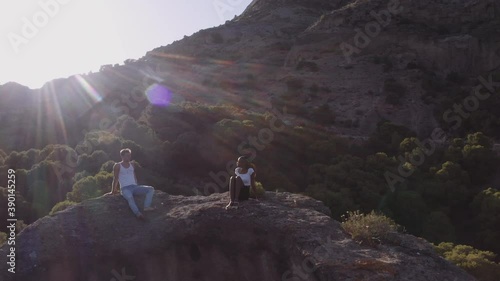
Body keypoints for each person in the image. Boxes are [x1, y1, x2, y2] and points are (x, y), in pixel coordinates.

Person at [107, 148, 156, 220]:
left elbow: (134, 175)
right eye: (127, 156)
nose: (129, 157)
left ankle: (147, 207)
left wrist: (136, 185)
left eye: (129, 155)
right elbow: (115, 178)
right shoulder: (117, 165)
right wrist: (113, 191)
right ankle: (138, 214)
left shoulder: (132, 164)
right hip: (125, 188)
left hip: (135, 187)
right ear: (122, 156)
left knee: (151, 189)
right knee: (130, 198)